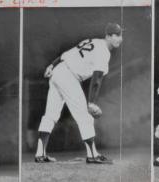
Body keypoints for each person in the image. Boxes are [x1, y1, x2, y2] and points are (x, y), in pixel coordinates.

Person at [34, 23, 123, 165]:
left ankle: (40, 154)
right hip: (68, 76)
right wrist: (91, 102)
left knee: (50, 115)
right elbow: (97, 78)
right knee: (85, 116)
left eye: (120, 35)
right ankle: (92, 155)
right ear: (108, 36)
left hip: (58, 71)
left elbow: (66, 55)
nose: (120, 38)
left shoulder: (93, 41)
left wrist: (51, 65)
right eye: (116, 35)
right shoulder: (104, 51)